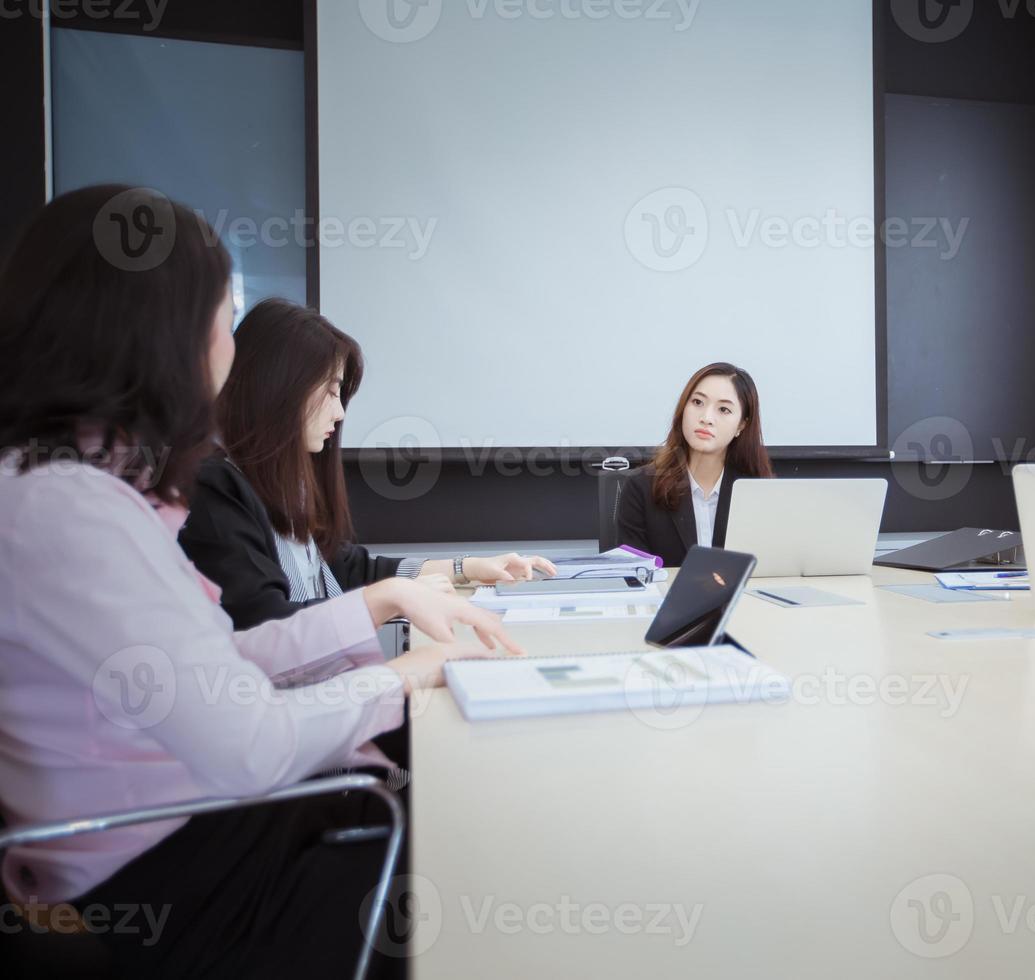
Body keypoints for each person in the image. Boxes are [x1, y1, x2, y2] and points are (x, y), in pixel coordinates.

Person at [0, 185, 516, 977]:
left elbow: (227, 662)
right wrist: (404, 677)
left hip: (174, 841)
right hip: (185, 871)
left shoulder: (62, 487)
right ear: (162, 332)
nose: (228, 345)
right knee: (484, 850)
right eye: (220, 313)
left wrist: (383, 613)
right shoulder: (72, 509)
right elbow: (250, 744)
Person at [179, 298, 556, 631]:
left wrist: (470, 567)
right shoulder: (217, 489)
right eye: (328, 391)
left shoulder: (283, 487)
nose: (339, 411)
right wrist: (392, 599)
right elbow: (265, 624)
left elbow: (353, 570)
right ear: (278, 388)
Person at [617, 362, 773, 568]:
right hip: (668, 600)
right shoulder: (641, 488)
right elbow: (635, 577)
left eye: (724, 409)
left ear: (741, 425)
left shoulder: (759, 491)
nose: (706, 418)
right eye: (698, 402)